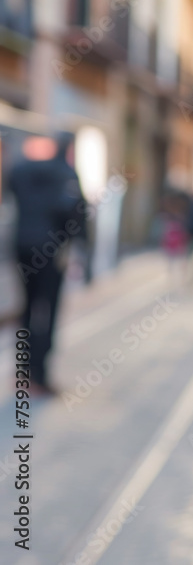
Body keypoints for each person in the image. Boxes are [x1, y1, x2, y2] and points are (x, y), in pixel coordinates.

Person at [8, 131, 87, 395]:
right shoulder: (65, 174)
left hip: (22, 247)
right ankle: (39, 374)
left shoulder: (21, 170)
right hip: (51, 252)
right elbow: (75, 214)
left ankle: (23, 371)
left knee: (27, 310)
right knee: (48, 312)